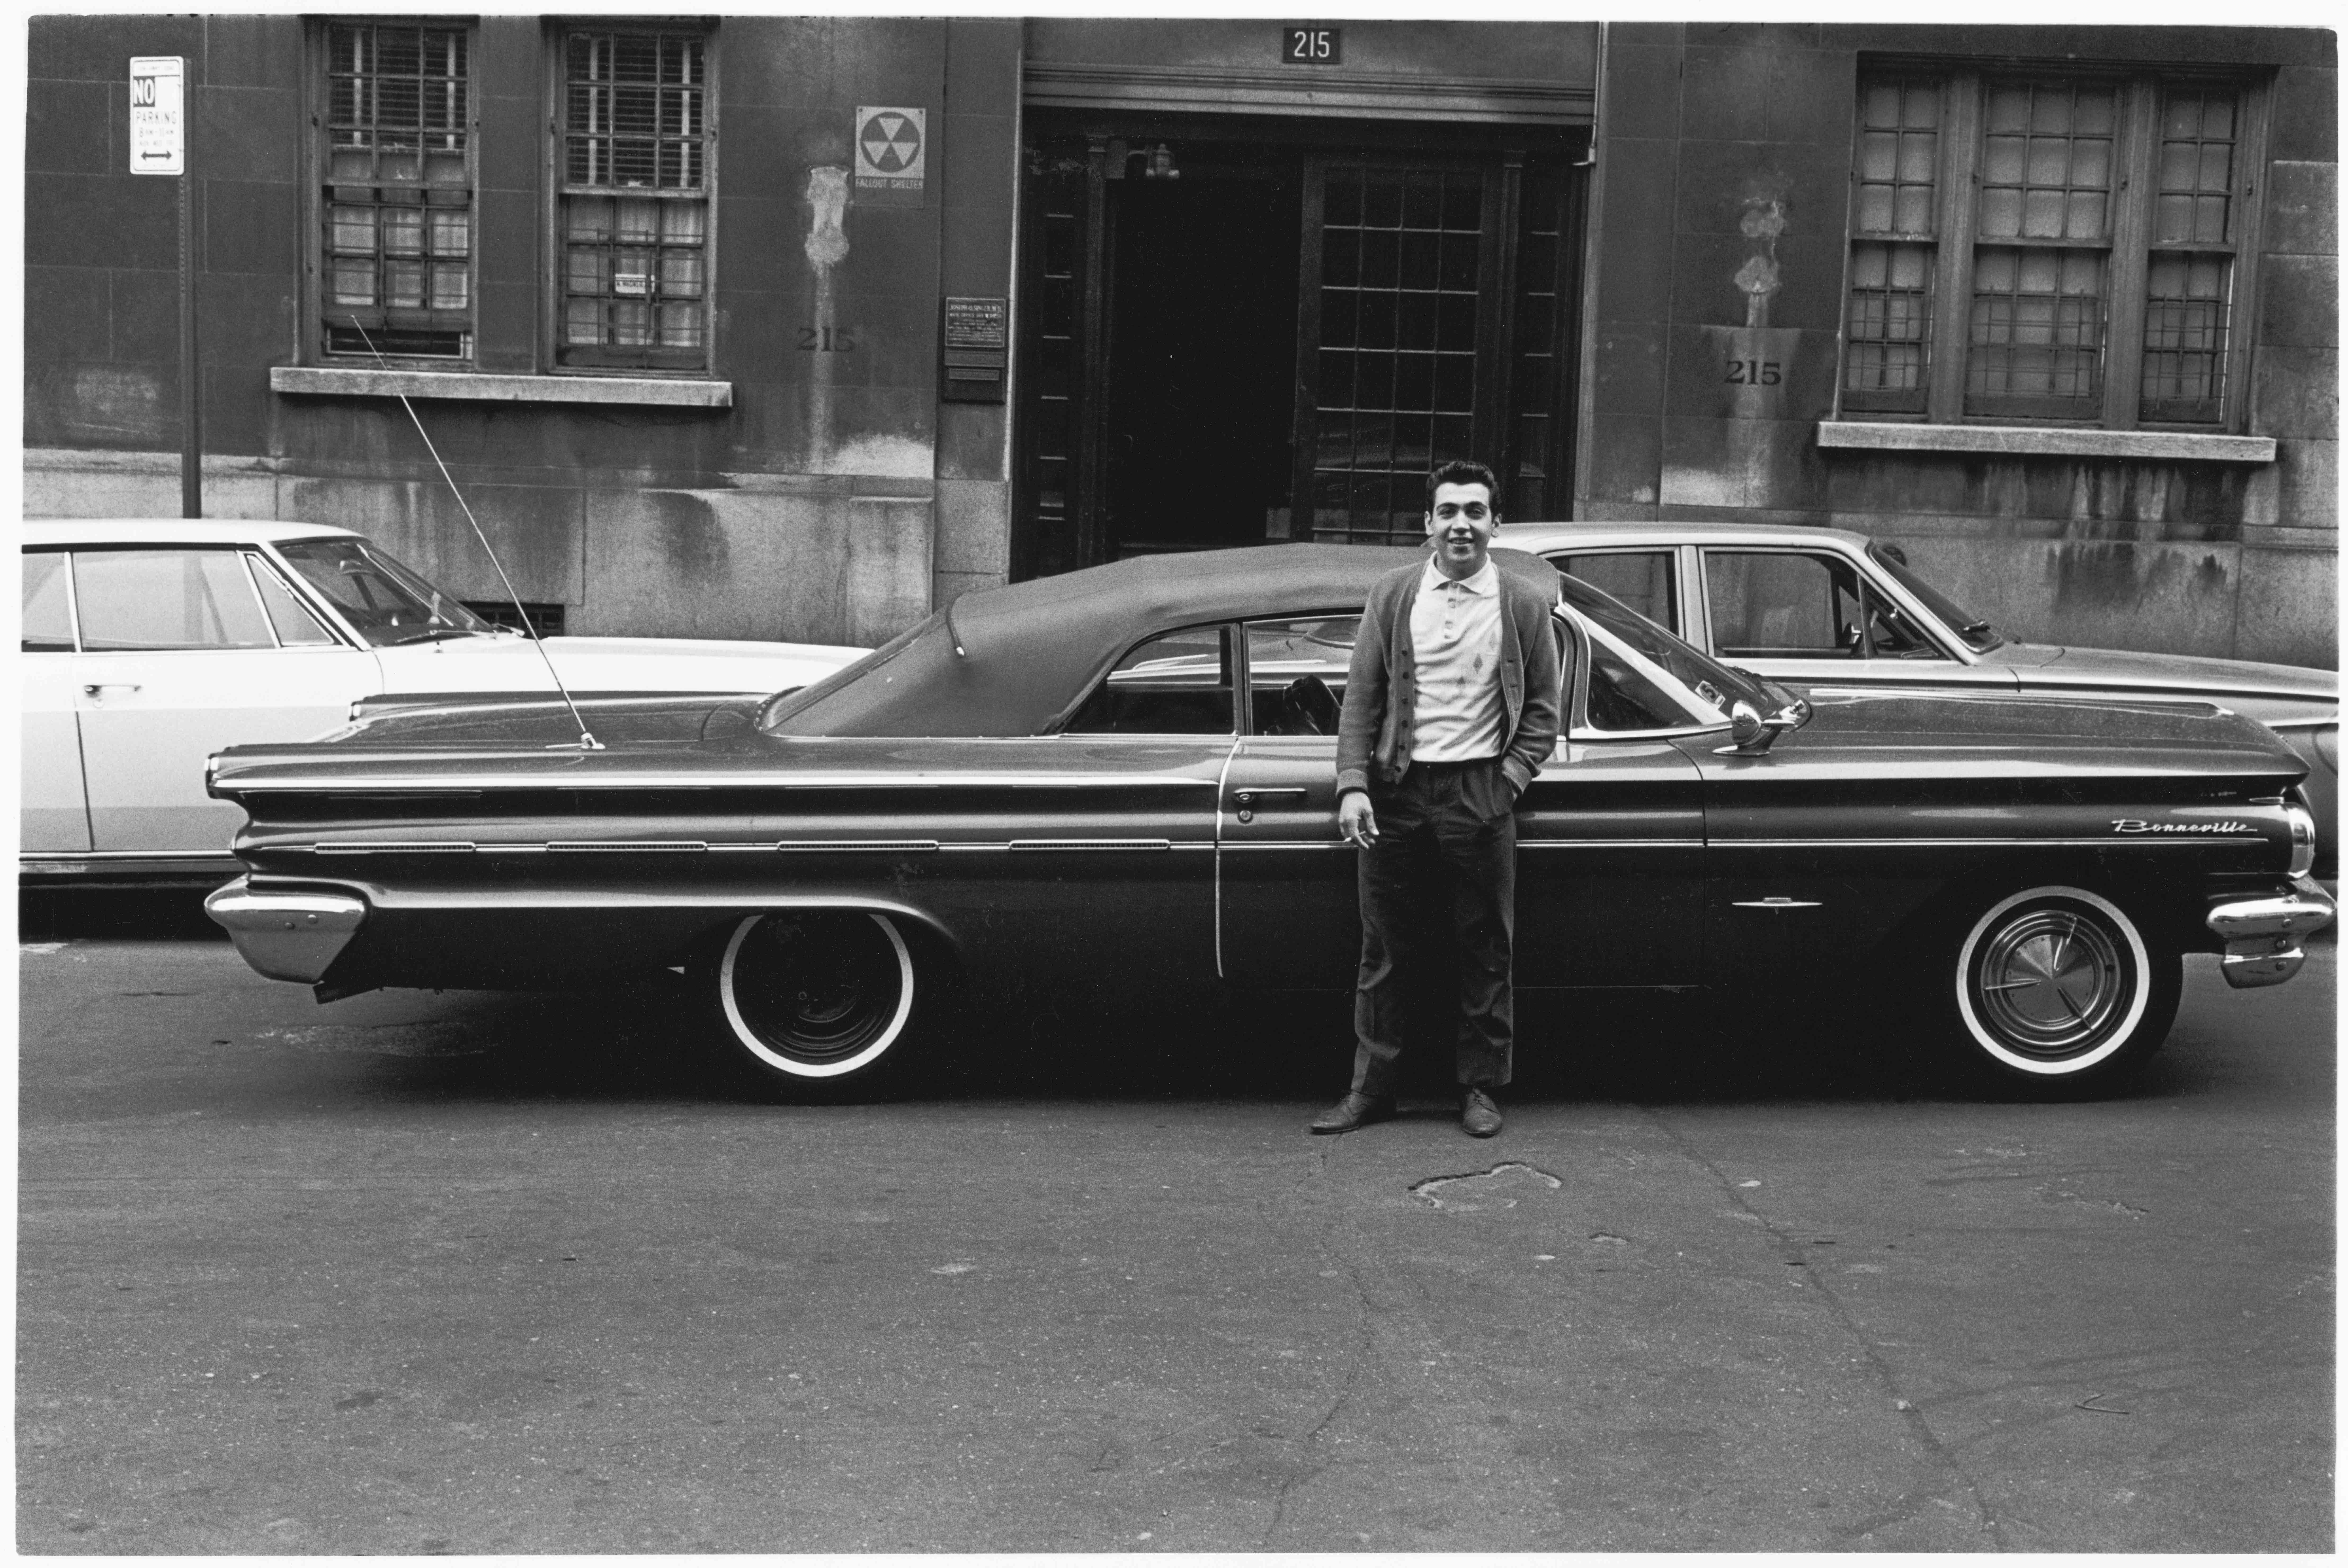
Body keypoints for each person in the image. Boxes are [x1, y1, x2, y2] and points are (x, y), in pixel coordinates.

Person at [1311, 459, 1565, 1138]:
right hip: (1397, 793)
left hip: (1478, 792)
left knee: (1484, 947)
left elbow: (1543, 711)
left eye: (1474, 512)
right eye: (1448, 512)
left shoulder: (1520, 603)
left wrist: (1506, 782)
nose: (1461, 525)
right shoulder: (1393, 594)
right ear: (1427, 524)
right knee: (1384, 949)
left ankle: (1479, 1088)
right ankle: (1371, 1090)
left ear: (1494, 524)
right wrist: (1353, 786)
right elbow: (1360, 699)